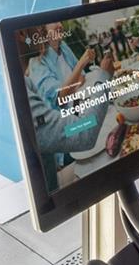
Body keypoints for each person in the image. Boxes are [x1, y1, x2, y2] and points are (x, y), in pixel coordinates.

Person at [25, 22, 115, 191]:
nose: (59, 25)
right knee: (101, 148)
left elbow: (80, 79)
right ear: (41, 30)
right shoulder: (36, 64)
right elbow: (61, 97)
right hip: (70, 129)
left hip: (83, 113)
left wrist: (73, 82)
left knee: (109, 134)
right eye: (54, 23)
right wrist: (85, 66)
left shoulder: (63, 47)